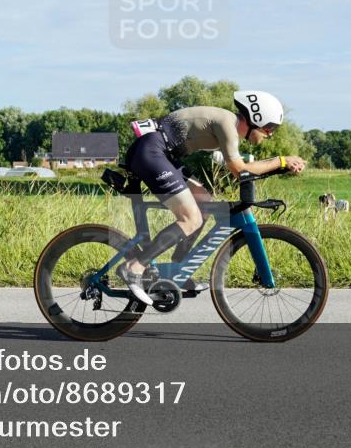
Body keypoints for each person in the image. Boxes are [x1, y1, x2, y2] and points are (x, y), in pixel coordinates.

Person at [118, 90, 306, 304]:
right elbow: (239, 171)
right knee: (191, 218)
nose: (270, 134)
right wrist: (281, 161)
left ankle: (179, 267)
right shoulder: (228, 124)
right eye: (270, 128)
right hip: (152, 151)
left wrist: (280, 164)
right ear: (257, 118)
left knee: (204, 202)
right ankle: (134, 268)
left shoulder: (228, 125)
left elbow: (239, 166)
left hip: (160, 152)